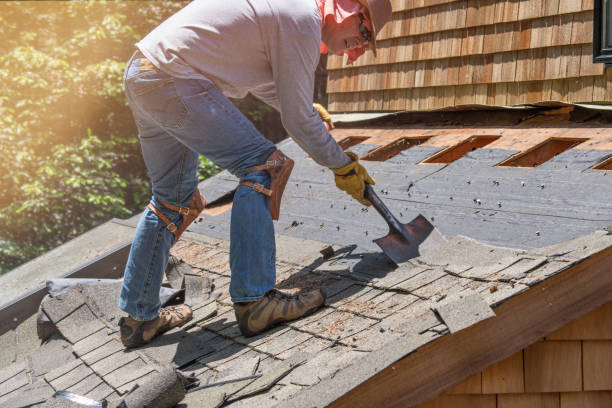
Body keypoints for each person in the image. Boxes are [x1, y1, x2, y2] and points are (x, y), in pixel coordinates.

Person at [118, 0, 392, 348]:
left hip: (144, 74)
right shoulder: (303, 17)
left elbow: (265, 86)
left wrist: (304, 110)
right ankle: (255, 300)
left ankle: (138, 318)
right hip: (172, 78)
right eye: (364, 31)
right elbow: (296, 122)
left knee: (173, 201)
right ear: (347, 8)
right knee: (265, 165)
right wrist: (342, 165)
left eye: (368, 42)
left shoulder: (288, 11)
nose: (361, 45)